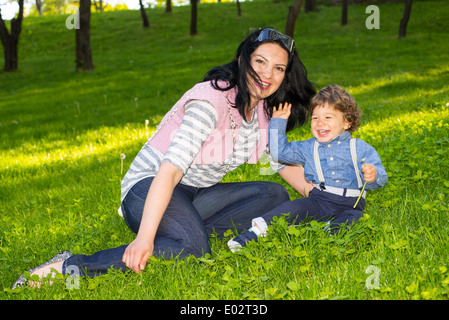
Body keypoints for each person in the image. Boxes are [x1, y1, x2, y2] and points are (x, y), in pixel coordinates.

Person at [12, 27, 316, 288]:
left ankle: (178, 234)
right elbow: (169, 172)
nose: (267, 74)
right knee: (195, 249)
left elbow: (282, 164)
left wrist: (329, 199)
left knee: (273, 193)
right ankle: (67, 266)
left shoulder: (263, 112)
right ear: (242, 60)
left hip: (193, 195)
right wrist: (144, 238)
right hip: (148, 188)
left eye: (278, 68)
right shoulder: (210, 101)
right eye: (260, 61)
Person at [228, 85, 388, 252]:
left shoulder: (360, 147)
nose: (320, 123)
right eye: (315, 118)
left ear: (347, 122)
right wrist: (278, 123)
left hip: (351, 205)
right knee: (290, 209)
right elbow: (279, 153)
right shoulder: (309, 147)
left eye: (328, 117)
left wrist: (373, 175)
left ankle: (330, 231)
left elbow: (380, 179)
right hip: (319, 200)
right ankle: (254, 233)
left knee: (355, 219)